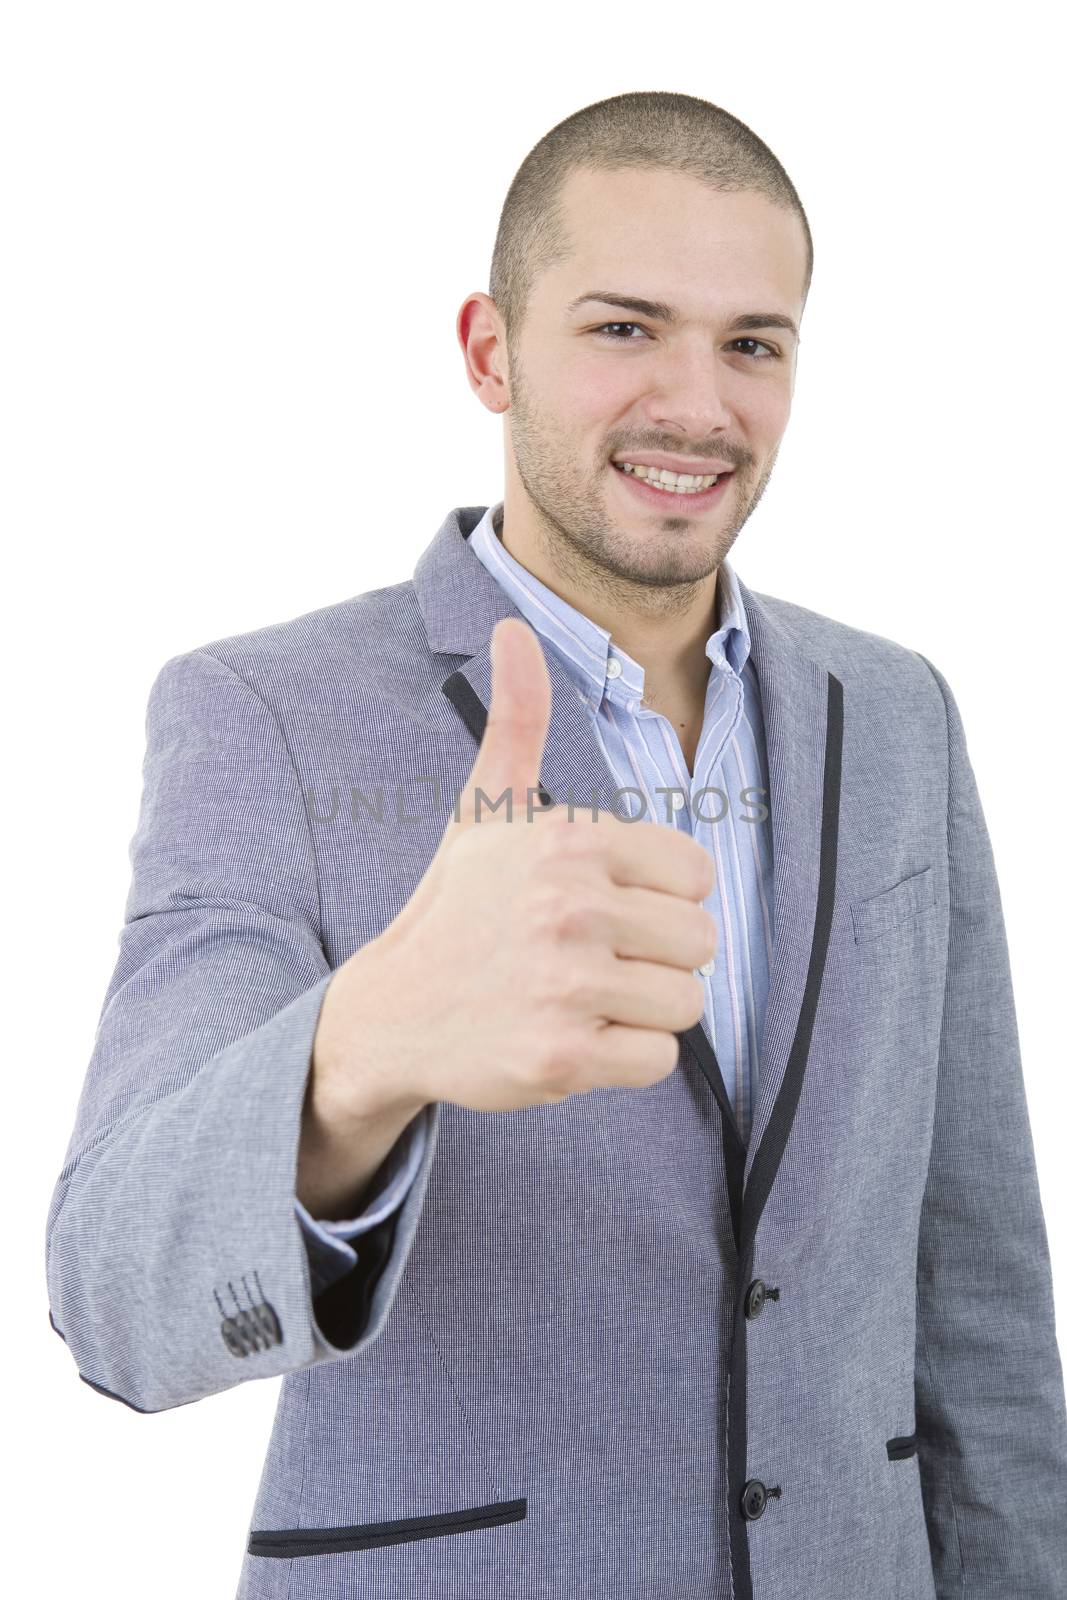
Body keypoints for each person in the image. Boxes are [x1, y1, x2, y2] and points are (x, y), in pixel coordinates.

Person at [45, 90, 1067, 1599]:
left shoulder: (896, 712)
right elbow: (114, 1289)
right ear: (490, 349)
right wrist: (364, 1047)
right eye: (624, 328)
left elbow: (974, 1281)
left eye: (752, 344)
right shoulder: (263, 714)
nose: (698, 405)